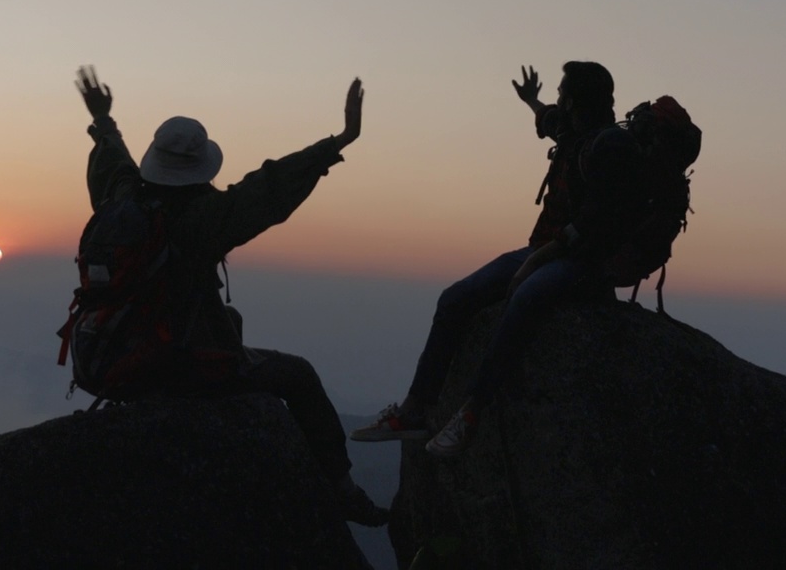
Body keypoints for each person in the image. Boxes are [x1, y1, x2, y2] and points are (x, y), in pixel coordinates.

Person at [75, 66, 388, 525]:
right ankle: (341, 489)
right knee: (298, 375)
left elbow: (114, 162)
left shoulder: (125, 201)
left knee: (231, 319)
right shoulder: (202, 221)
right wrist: (339, 141)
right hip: (172, 364)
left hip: (111, 354)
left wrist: (103, 119)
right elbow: (267, 189)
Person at [351, 61, 636, 456]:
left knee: (525, 298)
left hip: (583, 264)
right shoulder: (576, 134)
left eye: (561, 93)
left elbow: (592, 225)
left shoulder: (609, 147)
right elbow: (547, 119)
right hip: (544, 251)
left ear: (574, 100)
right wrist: (531, 100)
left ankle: (472, 412)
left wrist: (534, 264)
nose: (557, 100)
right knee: (455, 298)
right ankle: (416, 410)